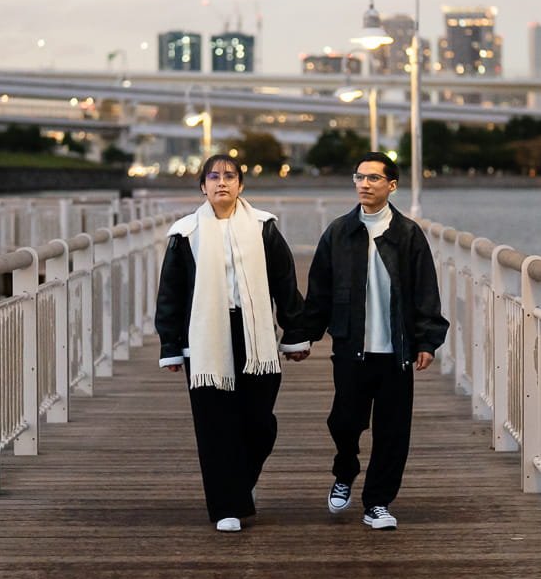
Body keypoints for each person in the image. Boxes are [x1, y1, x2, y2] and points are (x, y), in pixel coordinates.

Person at [155, 154, 311, 532]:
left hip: (254, 335)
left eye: (229, 176)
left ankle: (241, 481)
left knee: (259, 423)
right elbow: (171, 295)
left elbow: (285, 285)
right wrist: (170, 346)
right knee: (214, 424)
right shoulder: (185, 233)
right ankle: (227, 505)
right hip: (206, 337)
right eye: (213, 176)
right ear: (202, 186)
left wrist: (294, 335)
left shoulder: (263, 228)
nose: (221, 182)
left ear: (241, 185)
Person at [303, 151, 449, 530]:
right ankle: (344, 470)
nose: (364, 184)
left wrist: (427, 341)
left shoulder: (407, 234)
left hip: (396, 352)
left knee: (393, 431)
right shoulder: (338, 232)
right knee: (345, 421)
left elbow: (425, 291)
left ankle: (378, 502)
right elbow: (318, 289)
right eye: (359, 177)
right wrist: (303, 336)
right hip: (352, 347)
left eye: (373, 178)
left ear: (392, 185)